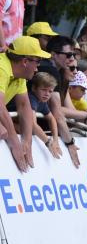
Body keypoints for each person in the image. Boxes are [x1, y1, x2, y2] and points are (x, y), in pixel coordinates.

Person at [0, 36, 50, 171]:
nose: (38, 68)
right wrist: (15, 143)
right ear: (25, 61)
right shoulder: (2, 68)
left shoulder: (19, 72)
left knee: (7, 130)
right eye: (38, 61)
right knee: (4, 131)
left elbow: (24, 106)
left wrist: (27, 142)